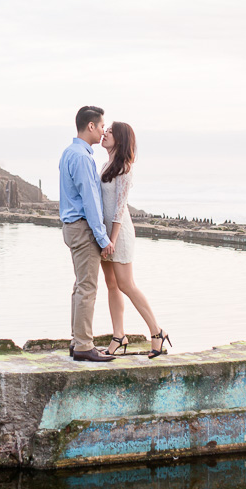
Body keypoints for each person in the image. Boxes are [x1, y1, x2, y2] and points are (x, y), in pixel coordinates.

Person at [99, 121, 171, 359]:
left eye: (109, 131)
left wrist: (112, 239)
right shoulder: (105, 165)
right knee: (111, 284)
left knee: (126, 284)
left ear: (119, 139)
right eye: (105, 129)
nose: (105, 133)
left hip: (119, 234)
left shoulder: (124, 169)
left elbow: (119, 209)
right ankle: (118, 336)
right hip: (106, 235)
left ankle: (157, 331)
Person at [58, 106, 115, 363]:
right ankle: (83, 344)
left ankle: (77, 340)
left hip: (72, 227)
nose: (103, 130)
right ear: (90, 126)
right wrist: (103, 238)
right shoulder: (82, 157)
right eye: (102, 126)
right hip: (82, 227)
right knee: (88, 287)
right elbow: (91, 201)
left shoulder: (69, 153)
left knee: (80, 285)